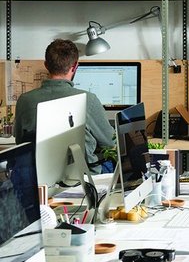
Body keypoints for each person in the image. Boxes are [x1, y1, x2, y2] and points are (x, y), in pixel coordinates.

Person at [14, 39, 116, 174]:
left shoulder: (24, 100)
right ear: (75, 67)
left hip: (39, 178)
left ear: (46, 65)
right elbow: (110, 142)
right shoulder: (88, 100)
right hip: (82, 179)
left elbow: (20, 143)